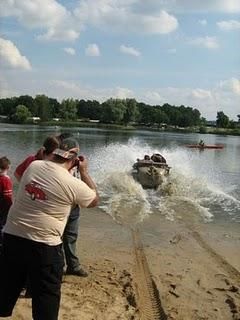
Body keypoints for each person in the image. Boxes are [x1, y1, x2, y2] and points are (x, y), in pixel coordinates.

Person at [0, 137, 99, 320]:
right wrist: (84, 172)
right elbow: (94, 200)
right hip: (44, 247)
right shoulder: (73, 184)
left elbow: (36, 163)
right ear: (74, 160)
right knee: (46, 302)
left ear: (55, 152)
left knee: (4, 292)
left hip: (13, 238)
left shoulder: (34, 166)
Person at [15, 134, 87, 277]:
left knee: (70, 236)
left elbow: (80, 188)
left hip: (72, 207)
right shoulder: (35, 162)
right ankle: (53, 269)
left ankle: (73, 265)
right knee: (53, 239)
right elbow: (18, 174)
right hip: (53, 207)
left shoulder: (72, 164)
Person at [0, 157, 13, 245]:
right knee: (2, 226)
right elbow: (8, 198)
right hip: (3, 208)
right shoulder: (5, 180)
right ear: (8, 167)